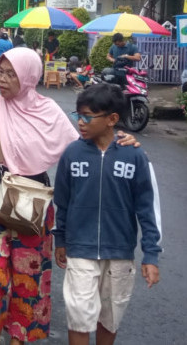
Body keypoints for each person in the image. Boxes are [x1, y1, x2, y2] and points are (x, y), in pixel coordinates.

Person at [0, 48, 139, 345]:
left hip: (33, 207)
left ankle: (18, 335)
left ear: (28, 77)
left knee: (28, 279)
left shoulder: (48, 113)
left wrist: (120, 139)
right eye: (1, 71)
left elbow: (86, 145)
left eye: (12, 73)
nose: (3, 79)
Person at [54, 84, 161, 345]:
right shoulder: (72, 154)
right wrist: (61, 239)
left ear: (112, 119)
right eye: (78, 115)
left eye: (88, 116)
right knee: (78, 316)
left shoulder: (135, 156)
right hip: (80, 250)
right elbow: (62, 201)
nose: (81, 122)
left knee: (110, 317)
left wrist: (151, 255)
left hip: (120, 253)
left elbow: (148, 208)